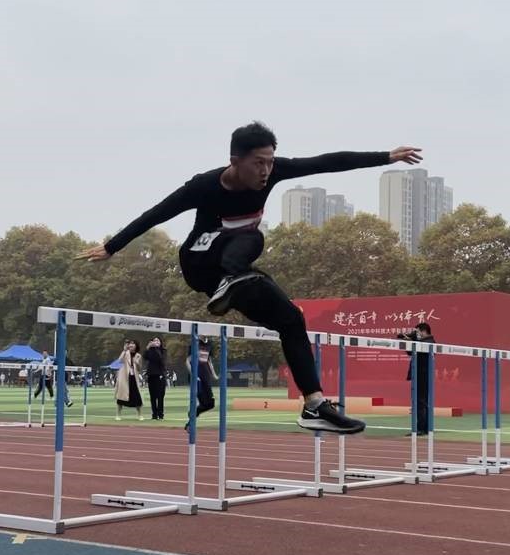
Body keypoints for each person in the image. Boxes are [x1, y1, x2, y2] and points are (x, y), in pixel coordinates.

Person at [77, 122, 421, 434]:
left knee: (291, 319)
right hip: (199, 262)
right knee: (253, 236)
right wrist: (111, 246)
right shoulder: (203, 186)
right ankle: (228, 281)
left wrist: (385, 157)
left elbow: (326, 162)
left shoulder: (274, 172)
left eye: (270, 162)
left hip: (237, 273)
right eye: (258, 163)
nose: (266, 171)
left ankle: (314, 405)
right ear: (235, 161)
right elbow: (156, 213)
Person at [402, 322, 436, 434]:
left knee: (420, 402)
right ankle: (425, 428)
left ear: (423, 331)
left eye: (417, 332)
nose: (416, 334)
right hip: (420, 374)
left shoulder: (429, 341)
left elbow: (417, 350)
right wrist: (408, 341)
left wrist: (413, 341)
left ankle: (421, 428)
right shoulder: (421, 342)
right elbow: (411, 352)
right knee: (421, 402)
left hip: (422, 375)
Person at [185, 337, 220, 429]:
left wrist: (214, 375)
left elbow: (209, 361)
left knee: (210, 403)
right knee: (201, 399)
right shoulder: (195, 344)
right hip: (197, 376)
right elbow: (188, 361)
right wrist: (193, 374)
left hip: (206, 375)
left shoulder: (209, 344)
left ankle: (192, 414)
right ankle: (190, 423)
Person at [115, 338, 144, 420]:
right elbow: (119, 361)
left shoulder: (138, 355)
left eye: (133, 343)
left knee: (137, 396)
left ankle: (140, 415)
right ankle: (118, 415)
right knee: (121, 397)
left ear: (136, 346)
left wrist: (137, 363)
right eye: (130, 343)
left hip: (133, 377)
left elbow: (139, 368)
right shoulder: (125, 353)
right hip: (124, 377)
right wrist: (124, 351)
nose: (131, 345)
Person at [144, 336, 168, 420]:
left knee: (160, 396)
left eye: (157, 340)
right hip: (151, 375)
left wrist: (156, 349)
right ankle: (154, 414)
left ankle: (160, 414)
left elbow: (160, 359)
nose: (156, 342)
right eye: (154, 340)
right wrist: (148, 347)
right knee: (153, 396)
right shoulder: (150, 351)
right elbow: (145, 357)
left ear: (160, 342)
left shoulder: (163, 351)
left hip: (160, 375)